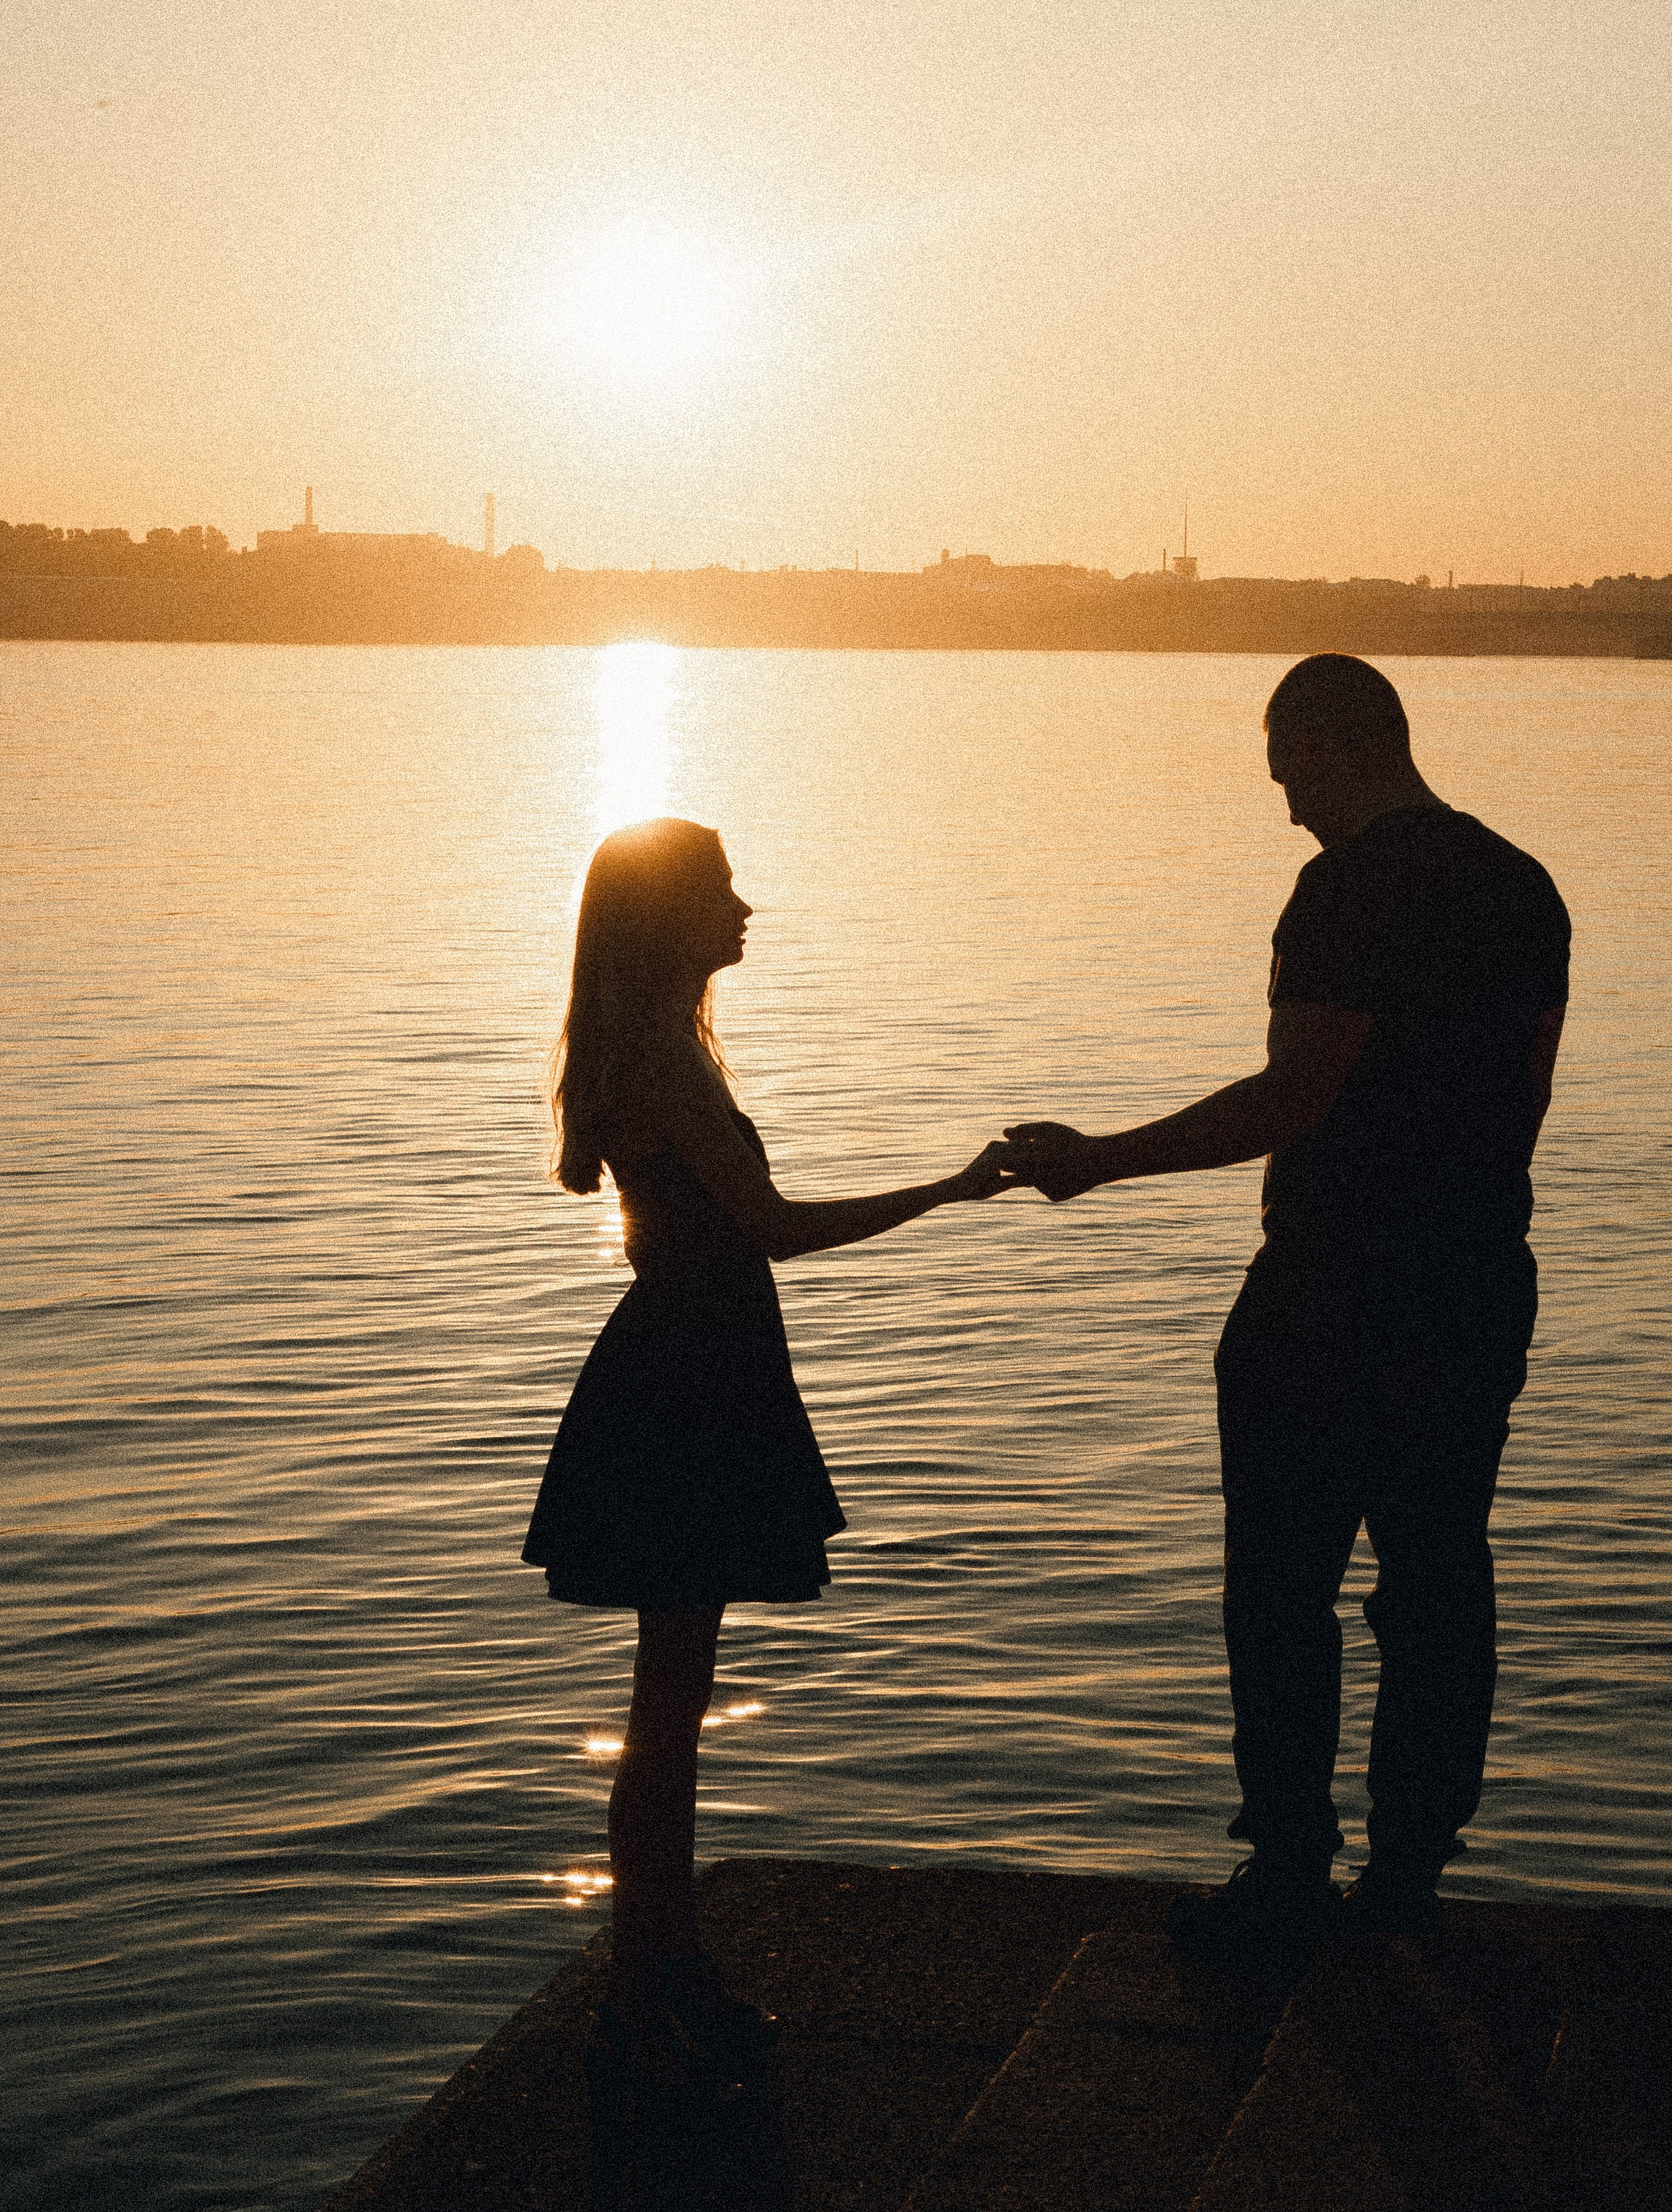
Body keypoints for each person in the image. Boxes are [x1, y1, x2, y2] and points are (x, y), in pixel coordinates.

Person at [1004, 656, 1569, 1962]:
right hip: (1478, 1278)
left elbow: (1289, 1100)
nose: (1283, 803)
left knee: (1279, 1585)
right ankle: (1411, 1873)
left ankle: (1287, 1866)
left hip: (1332, 1284)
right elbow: (1526, 1098)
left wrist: (1097, 1159)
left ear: (1329, 744)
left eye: (1285, 768)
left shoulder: (1346, 890)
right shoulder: (1521, 883)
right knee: (1437, 1577)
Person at [524, 817, 1007, 2079]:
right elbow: (774, 1231)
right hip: (687, 1386)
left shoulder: (660, 1048)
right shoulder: (665, 1066)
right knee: (669, 1709)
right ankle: (640, 1996)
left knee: (673, 1703)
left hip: (694, 1372)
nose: (747, 908)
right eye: (721, 889)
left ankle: (668, 1969)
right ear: (665, 916)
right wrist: (947, 1192)